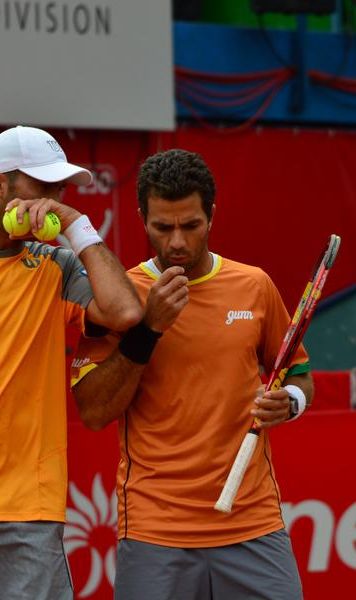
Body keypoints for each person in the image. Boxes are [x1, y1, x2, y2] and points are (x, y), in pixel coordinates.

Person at [71, 148, 314, 600]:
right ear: (142, 217)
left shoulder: (255, 286)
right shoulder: (118, 297)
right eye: (163, 227)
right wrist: (149, 328)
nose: (177, 242)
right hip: (154, 530)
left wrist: (291, 403)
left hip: (253, 522)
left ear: (212, 216)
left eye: (190, 225)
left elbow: (298, 373)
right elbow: (93, 411)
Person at [0, 125, 143, 600]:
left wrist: (77, 225)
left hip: (26, 507)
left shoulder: (53, 265)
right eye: (43, 188)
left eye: (59, 190)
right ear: (2, 185)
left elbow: (125, 312)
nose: (53, 200)